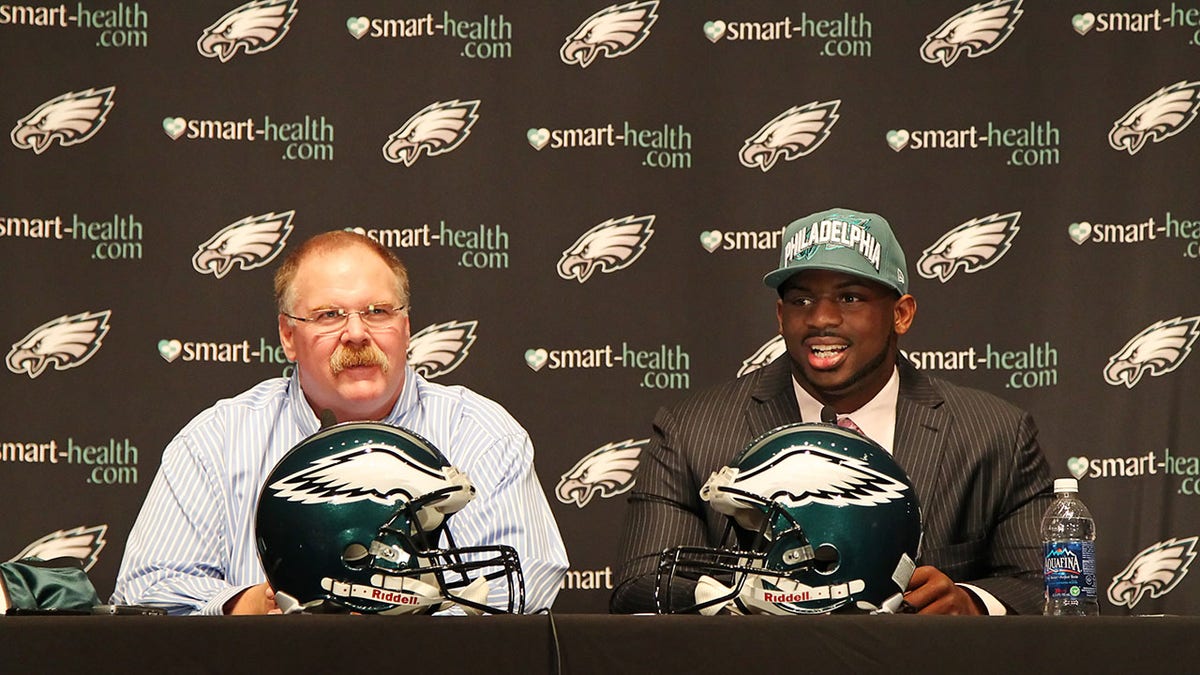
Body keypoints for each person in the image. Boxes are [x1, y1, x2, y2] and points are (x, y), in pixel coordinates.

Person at [611, 207, 1053, 616]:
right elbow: (639, 586)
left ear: (901, 314)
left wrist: (971, 603)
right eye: (802, 301)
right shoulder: (692, 431)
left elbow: (1050, 587)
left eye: (850, 298)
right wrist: (738, 599)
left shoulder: (994, 433)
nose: (822, 318)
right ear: (780, 316)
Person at [112, 231, 568, 615]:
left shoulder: (483, 433)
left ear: (407, 328)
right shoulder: (216, 441)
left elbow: (529, 577)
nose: (355, 333)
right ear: (288, 337)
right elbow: (144, 588)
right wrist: (244, 606)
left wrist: (408, 620)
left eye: (378, 311)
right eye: (329, 315)